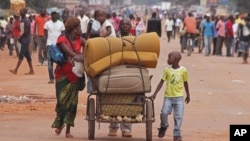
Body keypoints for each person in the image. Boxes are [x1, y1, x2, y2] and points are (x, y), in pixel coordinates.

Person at [51, 17, 86, 138]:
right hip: (62, 76)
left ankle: (68, 130)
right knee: (61, 102)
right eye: (80, 27)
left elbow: (90, 48)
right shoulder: (62, 40)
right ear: (74, 29)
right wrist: (78, 56)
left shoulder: (80, 40)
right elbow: (68, 52)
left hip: (75, 76)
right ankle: (60, 123)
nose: (81, 29)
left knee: (72, 103)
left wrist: (85, 55)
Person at [150, 51, 190, 141]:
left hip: (179, 97)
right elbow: (161, 82)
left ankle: (177, 135)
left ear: (175, 59)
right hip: (168, 97)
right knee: (164, 113)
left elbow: (185, 82)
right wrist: (155, 94)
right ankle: (164, 126)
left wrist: (188, 95)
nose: (168, 59)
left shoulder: (183, 70)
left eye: (170, 57)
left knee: (178, 117)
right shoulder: (167, 70)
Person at [108, 18, 133, 138]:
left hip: (129, 70)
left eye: (127, 24)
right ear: (119, 26)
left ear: (130, 27)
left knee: (128, 100)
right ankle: (113, 127)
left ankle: (126, 128)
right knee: (114, 98)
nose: (124, 26)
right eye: (122, 24)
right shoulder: (114, 40)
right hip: (115, 70)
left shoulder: (135, 40)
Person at [9, 8, 34, 75]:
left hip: (25, 39)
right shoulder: (22, 20)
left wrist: (20, 37)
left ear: (25, 12)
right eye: (20, 11)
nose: (20, 12)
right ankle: (31, 70)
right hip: (23, 39)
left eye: (21, 11)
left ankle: (16, 69)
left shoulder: (27, 20)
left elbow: (26, 31)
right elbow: (21, 29)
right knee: (27, 56)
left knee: (21, 55)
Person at [44, 11, 65, 84]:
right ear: (51, 15)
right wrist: (47, 43)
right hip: (50, 45)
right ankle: (51, 78)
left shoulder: (61, 24)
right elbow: (45, 34)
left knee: (60, 61)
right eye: (52, 14)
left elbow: (63, 34)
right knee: (50, 62)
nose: (53, 16)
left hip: (58, 45)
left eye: (55, 14)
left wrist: (62, 43)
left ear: (57, 15)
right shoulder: (47, 24)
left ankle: (60, 77)